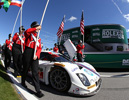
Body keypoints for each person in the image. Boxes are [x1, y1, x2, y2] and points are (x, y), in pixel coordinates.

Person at [21, 21, 44, 98]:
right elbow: (27, 31)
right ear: (33, 27)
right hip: (28, 51)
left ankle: (38, 90)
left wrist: (37, 55)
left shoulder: (39, 38)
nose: (38, 28)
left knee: (35, 72)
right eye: (36, 27)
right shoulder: (29, 34)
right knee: (25, 69)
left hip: (35, 55)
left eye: (38, 27)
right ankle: (23, 82)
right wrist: (36, 28)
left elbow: (40, 48)